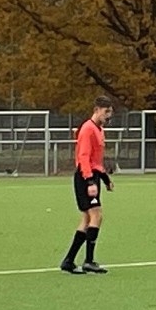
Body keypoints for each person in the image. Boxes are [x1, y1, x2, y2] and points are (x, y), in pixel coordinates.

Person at [61, 96, 115, 275]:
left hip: (93, 175)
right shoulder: (87, 129)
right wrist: (90, 181)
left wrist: (105, 179)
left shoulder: (99, 130)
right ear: (97, 110)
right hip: (85, 177)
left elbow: (96, 160)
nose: (108, 116)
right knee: (96, 216)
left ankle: (69, 261)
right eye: (106, 112)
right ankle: (89, 261)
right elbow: (83, 157)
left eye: (110, 112)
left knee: (87, 219)